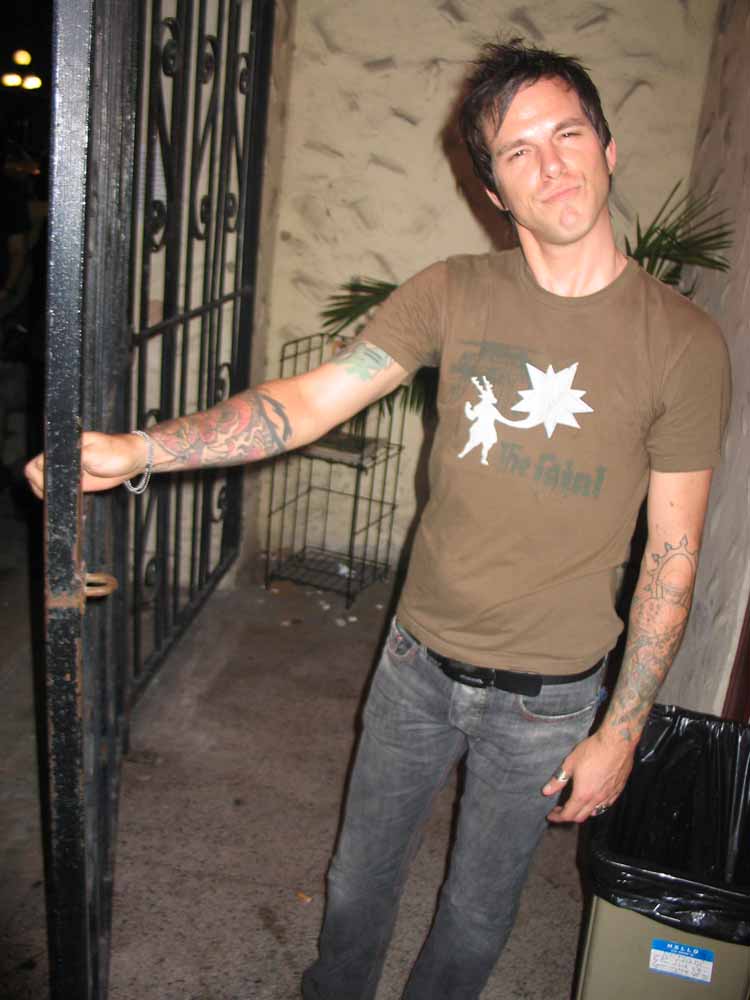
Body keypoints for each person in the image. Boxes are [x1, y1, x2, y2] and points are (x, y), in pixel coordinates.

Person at [26, 39, 730, 1000]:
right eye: (518, 151)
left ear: (608, 148)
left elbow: (674, 556)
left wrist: (621, 730)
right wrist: (139, 449)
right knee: (358, 880)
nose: (552, 165)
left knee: (477, 915)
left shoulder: (682, 342)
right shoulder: (454, 291)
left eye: (568, 134)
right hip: (415, 661)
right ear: (494, 190)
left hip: (550, 699)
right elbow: (309, 402)